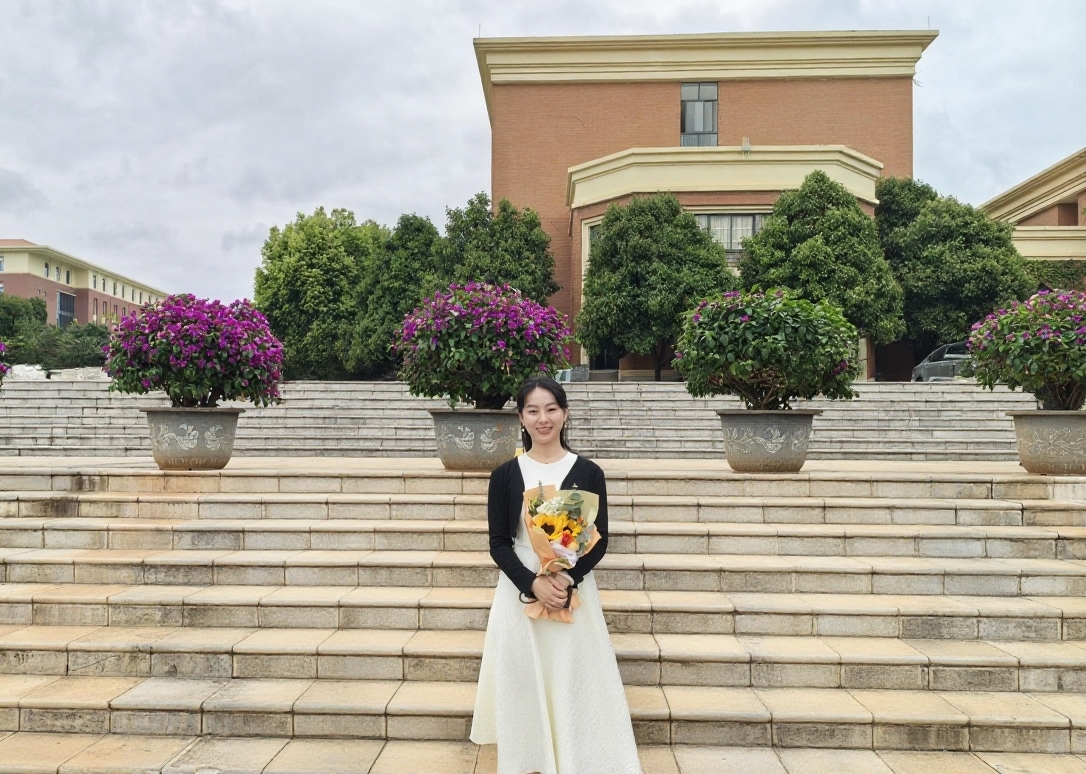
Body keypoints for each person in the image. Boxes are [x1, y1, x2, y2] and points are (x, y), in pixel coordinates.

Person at [470, 376, 642, 774]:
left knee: (571, 675)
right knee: (523, 679)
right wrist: (532, 583)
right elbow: (499, 542)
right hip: (519, 592)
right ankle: (529, 760)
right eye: (533, 410)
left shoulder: (588, 472)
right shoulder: (505, 475)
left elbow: (599, 540)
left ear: (564, 414)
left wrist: (565, 580)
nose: (542, 418)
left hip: (571, 591)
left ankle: (576, 757)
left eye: (551, 409)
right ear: (521, 417)